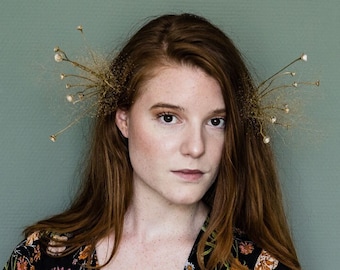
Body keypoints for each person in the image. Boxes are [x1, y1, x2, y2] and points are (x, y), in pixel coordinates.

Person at [4, 13, 301, 270]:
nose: (196, 147)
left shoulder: (260, 265)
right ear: (124, 120)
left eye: (215, 121)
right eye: (169, 118)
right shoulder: (43, 256)